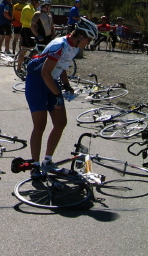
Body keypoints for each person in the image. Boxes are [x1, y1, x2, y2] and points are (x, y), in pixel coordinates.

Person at [21, 18, 98, 176]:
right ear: (80, 36)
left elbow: (61, 67)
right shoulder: (59, 45)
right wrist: (56, 94)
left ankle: (47, 161)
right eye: (88, 39)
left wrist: (67, 86)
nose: (88, 43)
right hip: (37, 82)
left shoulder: (74, 47)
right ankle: (35, 165)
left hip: (51, 81)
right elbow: (45, 72)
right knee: (40, 125)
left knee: (60, 122)